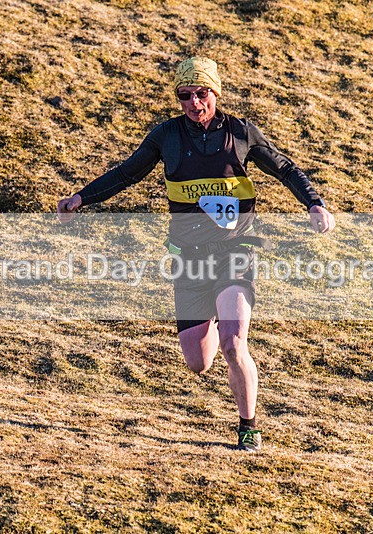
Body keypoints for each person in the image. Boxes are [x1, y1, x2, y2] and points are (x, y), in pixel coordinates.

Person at [57, 57, 334, 452]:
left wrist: (314, 204)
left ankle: (248, 427)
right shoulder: (166, 136)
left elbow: (285, 169)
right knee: (198, 362)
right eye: (185, 96)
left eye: (201, 93)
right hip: (189, 258)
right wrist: (81, 198)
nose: (193, 102)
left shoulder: (240, 133)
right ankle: (218, 329)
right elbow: (125, 174)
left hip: (236, 251)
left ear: (215, 93)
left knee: (234, 343)